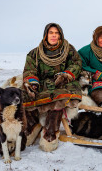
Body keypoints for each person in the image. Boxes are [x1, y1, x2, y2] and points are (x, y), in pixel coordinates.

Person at [22, 23, 82, 152]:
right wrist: (32, 82)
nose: (54, 36)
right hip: (42, 83)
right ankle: (30, 128)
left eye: (56, 33)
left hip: (62, 82)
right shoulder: (35, 53)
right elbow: (29, 70)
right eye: (51, 33)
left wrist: (66, 75)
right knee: (26, 95)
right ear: (46, 35)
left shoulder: (69, 49)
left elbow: (76, 63)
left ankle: (50, 134)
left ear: (60, 35)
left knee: (59, 98)